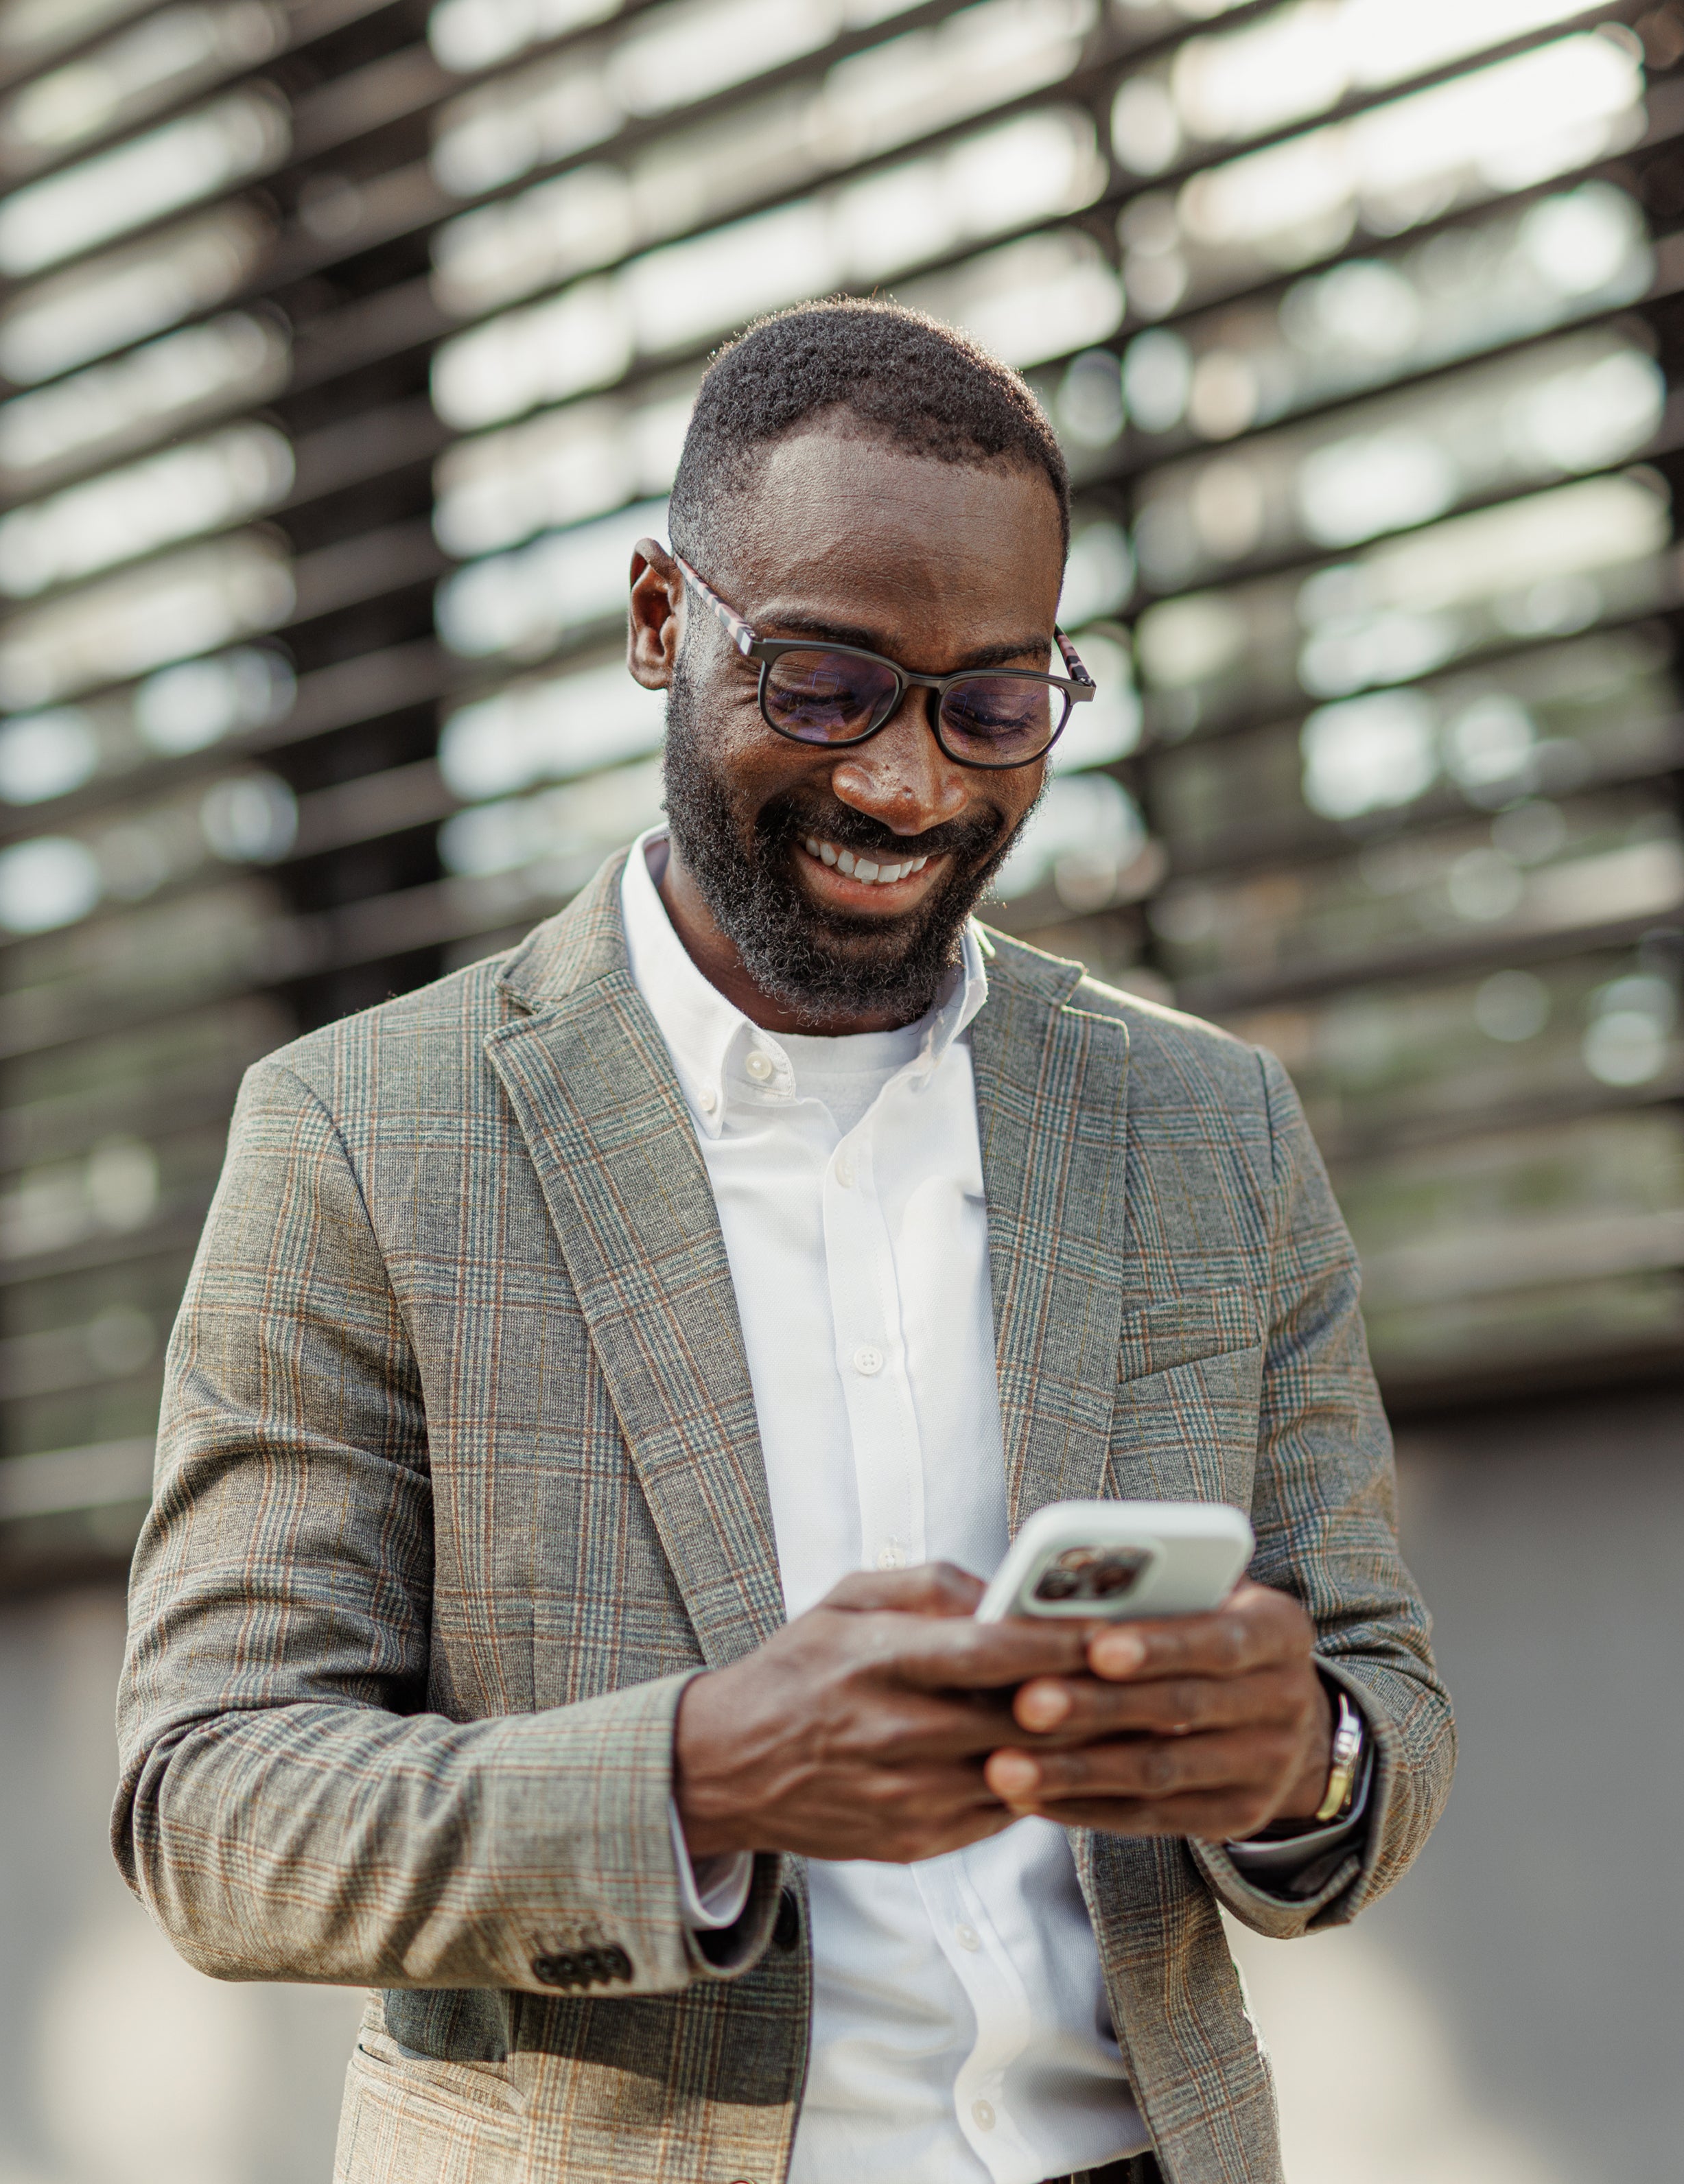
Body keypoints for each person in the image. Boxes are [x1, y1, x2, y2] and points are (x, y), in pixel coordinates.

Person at [113, 301, 1454, 2184]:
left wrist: (1296, 1757)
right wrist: (697, 1778)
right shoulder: (364, 1133)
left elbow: (1381, 1703)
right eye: (826, 685)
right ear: (664, 617)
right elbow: (210, 1805)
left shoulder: (1204, 1126)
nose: (910, 786)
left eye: (994, 705)